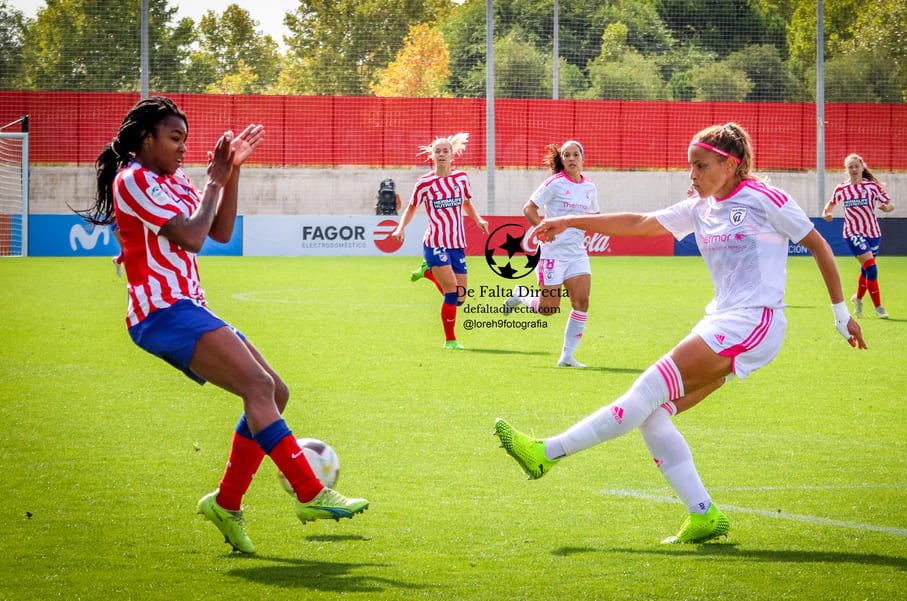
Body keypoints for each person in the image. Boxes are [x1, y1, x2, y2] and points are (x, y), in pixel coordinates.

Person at [494, 122, 866, 545]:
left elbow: (818, 243)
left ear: (730, 164)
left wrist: (840, 313)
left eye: (701, 165)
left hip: (754, 323)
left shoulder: (765, 198)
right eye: (690, 165)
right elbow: (641, 222)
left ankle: (545, 453)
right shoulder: (700, 206)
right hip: (723, 320)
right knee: (653, 417)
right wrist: (568, 220)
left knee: (647, 388)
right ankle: (704, 515)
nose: (693, 174)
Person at [80, 96, 368, 555]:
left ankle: (226, 503)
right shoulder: (131, 179)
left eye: (186, 141)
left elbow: (219, 231)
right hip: (160, 312)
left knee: (274, 391)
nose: (182, 149)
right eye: (175, 138)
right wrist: (214, 180)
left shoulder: (173, 182)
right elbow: (192, 236)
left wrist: (231, 172)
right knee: (256, 384)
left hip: (188, 306)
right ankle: (311, 493)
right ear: (144, 138)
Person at [502, 140, 599, 367]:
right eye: (567, 155)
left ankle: (567, 356)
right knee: (548, 308)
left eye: (576, 154)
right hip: (552, 253)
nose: (572, 158)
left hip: (577, 254)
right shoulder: (554, 184)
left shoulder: (590, 188)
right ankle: (520, 295)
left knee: (581, 302)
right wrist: (542, 229)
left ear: (583, 158)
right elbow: (529, 208)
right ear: (562, 160)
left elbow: (594, 216)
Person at [391, 133, 489, 349]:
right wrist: (400, 227)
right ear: (432, 156)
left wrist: (478, 219)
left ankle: (427, 273)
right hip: (435, 242)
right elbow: (411, 208)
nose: (442, 154)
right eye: (438, 151)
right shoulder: (425, 183)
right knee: (452, 291)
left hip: (457, 244)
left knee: (460, 298)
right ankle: (450, 340)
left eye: (446, 151)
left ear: (452, 155)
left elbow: (466, 204)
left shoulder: (461, 178)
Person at [822, 153, 895, 319]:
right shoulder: (842, 188)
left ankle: (858, 299)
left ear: (862, 167)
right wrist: (826, 213)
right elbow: (830, 205)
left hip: (873, 233)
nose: (854, 169)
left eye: (856, 166)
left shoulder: (872, 187)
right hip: (853, 233)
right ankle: (879, 307)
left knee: (866, 269)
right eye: (850, 167)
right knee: (871, 267)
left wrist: (886, 208)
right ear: (846, 170)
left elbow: (890, 204)